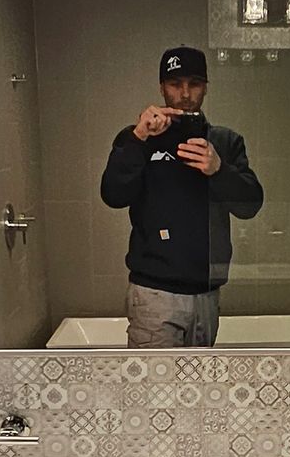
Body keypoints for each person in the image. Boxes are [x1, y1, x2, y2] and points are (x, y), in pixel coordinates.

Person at [99, 45, 263, 347]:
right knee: (154, 392)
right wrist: (139, 138)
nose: (185, 94)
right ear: (162, 88)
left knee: (198, 393)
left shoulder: (224, 142)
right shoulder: (138, 138)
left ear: (206, 88)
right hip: (154, 295)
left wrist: (218, 169)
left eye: (194, 84)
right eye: (175, 84)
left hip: (206, 294)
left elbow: (251, 205)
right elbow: (113, 194)